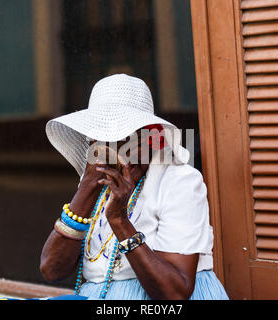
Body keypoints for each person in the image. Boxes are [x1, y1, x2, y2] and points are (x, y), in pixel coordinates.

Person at [40, 74, 229, 300]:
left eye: (123, 136)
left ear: (149, 137)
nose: (111, 147)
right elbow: (52, 270)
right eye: (100, 137)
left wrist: (120, 222)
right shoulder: (96, 181)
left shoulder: (179, 181)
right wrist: (86, 190)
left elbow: (175, 292)